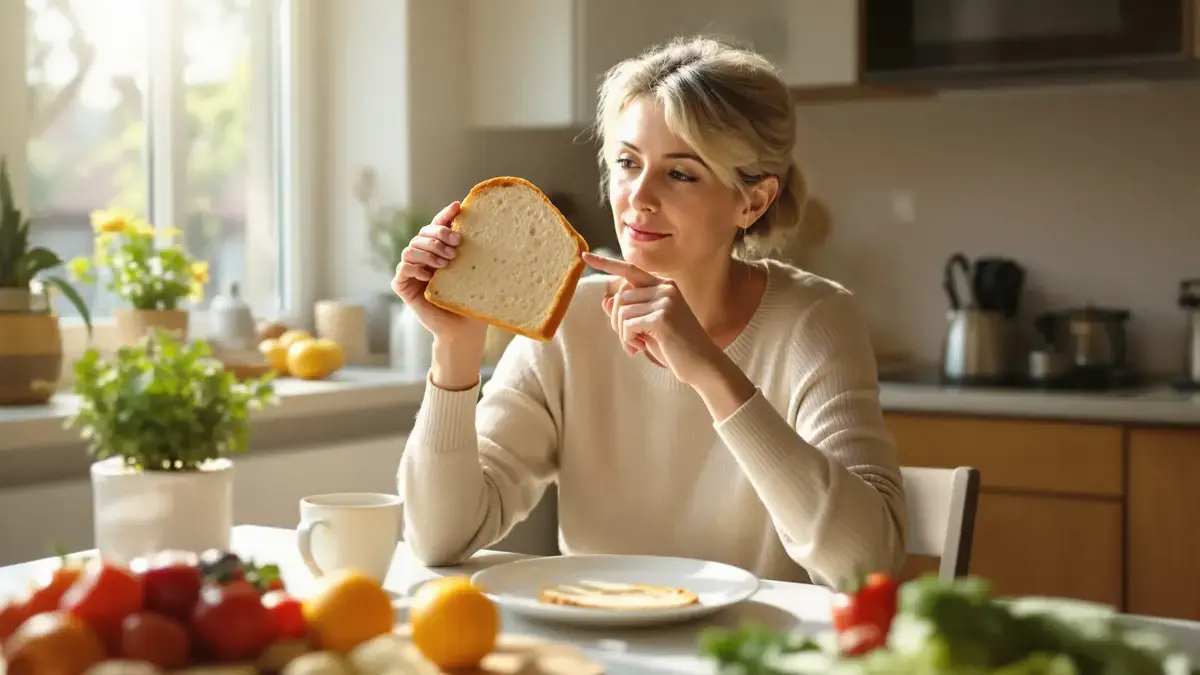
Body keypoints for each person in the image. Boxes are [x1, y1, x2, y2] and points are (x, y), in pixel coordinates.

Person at [392, 35, 907, 587]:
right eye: (627, 163)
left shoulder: (815, 320)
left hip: (753, 639)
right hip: (594, 633)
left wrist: (710, 371)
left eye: (680, 173)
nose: (638, 196)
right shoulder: (570, 321)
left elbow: (865, 566)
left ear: (752, 201)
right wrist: (455, 347)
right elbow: (439, 538)